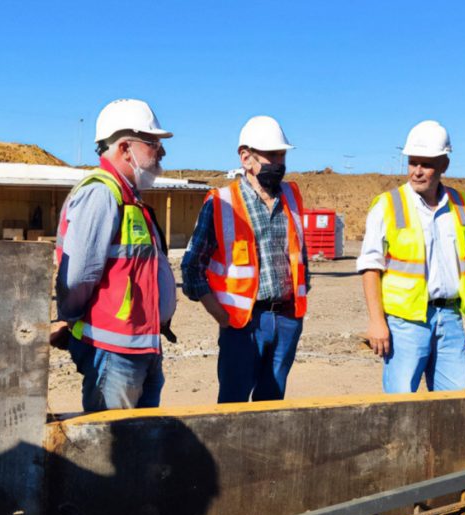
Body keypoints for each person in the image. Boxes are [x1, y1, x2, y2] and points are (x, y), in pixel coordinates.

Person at [53, 98, 177, 411]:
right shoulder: (101, 194)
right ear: (124, 148)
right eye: (152, 143)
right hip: (113, 353)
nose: (161, 152)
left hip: (141, 348)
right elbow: (78, 275)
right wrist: (70, 318)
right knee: (109, 448)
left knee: (137, 448)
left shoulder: (130, 199)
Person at [182, 116, 309, 403]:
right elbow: (191, 269)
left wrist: (297, 311)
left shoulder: (292, 196)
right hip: (242, 325)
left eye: (281, 154)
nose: (278, 162)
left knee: (271, 408)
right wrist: (220, 315)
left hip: (287, 320)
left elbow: (301, 255)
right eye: (271, 155)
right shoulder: (221, 202)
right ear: (246, 158)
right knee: (233, 408)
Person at [358, 120, 465, 393]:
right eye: (412, 162)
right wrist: (377, 321)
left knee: (451, 406)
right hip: (405, 323)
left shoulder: (461, 205)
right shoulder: (388, 205)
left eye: (425, 164)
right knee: (401, 407)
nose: (416, 172)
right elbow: (370, 266)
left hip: (450, 318)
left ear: (443, 165)